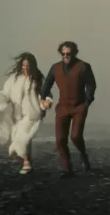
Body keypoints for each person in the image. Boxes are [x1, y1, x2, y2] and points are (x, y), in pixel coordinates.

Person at [39, 41, 97, 178]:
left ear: (74, 53)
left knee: (75, 136)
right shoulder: (55, 68)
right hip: (62, 107)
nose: (66, 56)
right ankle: (67, 169)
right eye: (63, 54)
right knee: (60, 140)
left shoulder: (83, 67)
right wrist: (45, 98)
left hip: (79, 106)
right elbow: (46, 85)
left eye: (68, 54)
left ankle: (83, 155)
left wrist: (87, 101)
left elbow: (91, 85)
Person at [1, 52, 47, 174]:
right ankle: (28, 162)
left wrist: (46, 103)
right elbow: (5, 92)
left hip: (32, 113)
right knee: (20, 137)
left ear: (32, 66)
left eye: (28, 66)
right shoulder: (14, 78)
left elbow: (44, 94)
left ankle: (26, 162)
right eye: (23, 66)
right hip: (17, 114)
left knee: (23, 139)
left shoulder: (36, 78)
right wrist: (2, 101)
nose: (25, 68)